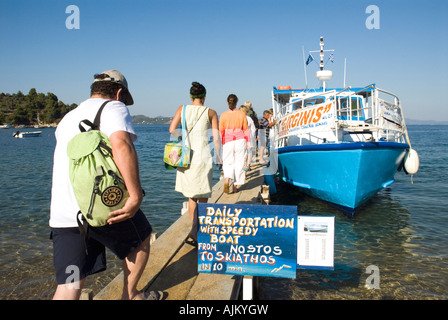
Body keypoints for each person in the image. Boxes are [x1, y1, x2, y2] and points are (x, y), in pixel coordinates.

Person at [49, 70, 161, 300]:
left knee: (70, 283)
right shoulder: (113, 107)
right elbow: (120, 144)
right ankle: (130, 296)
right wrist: (134, 195)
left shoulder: (67, 118)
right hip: (99, 204)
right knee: (140, 240)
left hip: (65, 212)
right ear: (119, 93)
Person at [169, 82, 221, 245]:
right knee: (204, 195)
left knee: (192, 196)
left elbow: (172, 129)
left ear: (191, 97)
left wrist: (183, 138)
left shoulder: (181, 109)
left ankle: (194, 229)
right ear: (204, 97)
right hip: (203, 156)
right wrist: (219, 157)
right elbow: (216, 137)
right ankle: (196, 230)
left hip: (187, 156)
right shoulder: (211, 112)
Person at [219, 94, 250, 193]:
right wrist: (248, 142)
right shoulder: (241, 114)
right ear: (236, 103)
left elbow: (221, 131)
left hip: (228, 141)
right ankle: (236, 186)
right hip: (240, 140)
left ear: (227, 103)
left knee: (228, 161)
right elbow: (246, 130)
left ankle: (227, 179)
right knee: (239, 162)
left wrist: (221, 143)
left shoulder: (223, 115)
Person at [239, 105, 256, 170]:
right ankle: (248, 165)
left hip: (240, 138)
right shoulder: (249, 118)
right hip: (249, 138)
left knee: (242, 153)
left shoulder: (238, 118)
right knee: (249, 153)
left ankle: (243, 165)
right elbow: (253, 129)